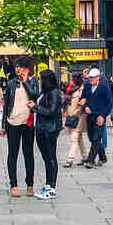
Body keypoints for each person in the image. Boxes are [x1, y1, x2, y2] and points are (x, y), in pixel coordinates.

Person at [4, 56, 39, 196]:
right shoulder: (11, 83)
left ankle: (29, 184)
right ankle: (13, 184)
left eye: (21, 66)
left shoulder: (33, 81)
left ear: (27, 69)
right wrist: (3, 123)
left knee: (28, 154)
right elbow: (7, 103)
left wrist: (26, 82)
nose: (17, 69)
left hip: (28, 122)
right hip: (12, 122)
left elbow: (35, 95)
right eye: (16, 66)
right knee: (12, 153)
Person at [33, 69, 64, 200]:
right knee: (47, 158)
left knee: (50, 157)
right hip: (42, 128)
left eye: (40, 79)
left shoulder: (54, 93)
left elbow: (51, 111)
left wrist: (35, 107)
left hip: (49, 129)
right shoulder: (44, 92)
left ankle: (52, 187)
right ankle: (48, 184)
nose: (39, 81)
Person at [81, 67, 113, 167]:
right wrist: (85, 107)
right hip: (89, 115)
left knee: (96, 138)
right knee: (91, 137)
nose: (91, 80)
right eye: (90, 78)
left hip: (99, 116)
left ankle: (90, 160)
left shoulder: (104, 87)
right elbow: (83, 98)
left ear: (98, 77)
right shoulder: (86, 85)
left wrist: (103, 116)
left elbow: (109, 103)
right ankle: (103, 157)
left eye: (93, 78)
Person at [63, 73, 90, 167]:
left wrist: (75, 113)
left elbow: (82, 104)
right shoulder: (71, 90)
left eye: (72, 80)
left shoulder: (82, 90)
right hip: (71, 116)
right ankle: (85, 157)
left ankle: (69, 160)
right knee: (79, 138)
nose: (70, 81)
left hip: (78, 117)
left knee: (74, 138)